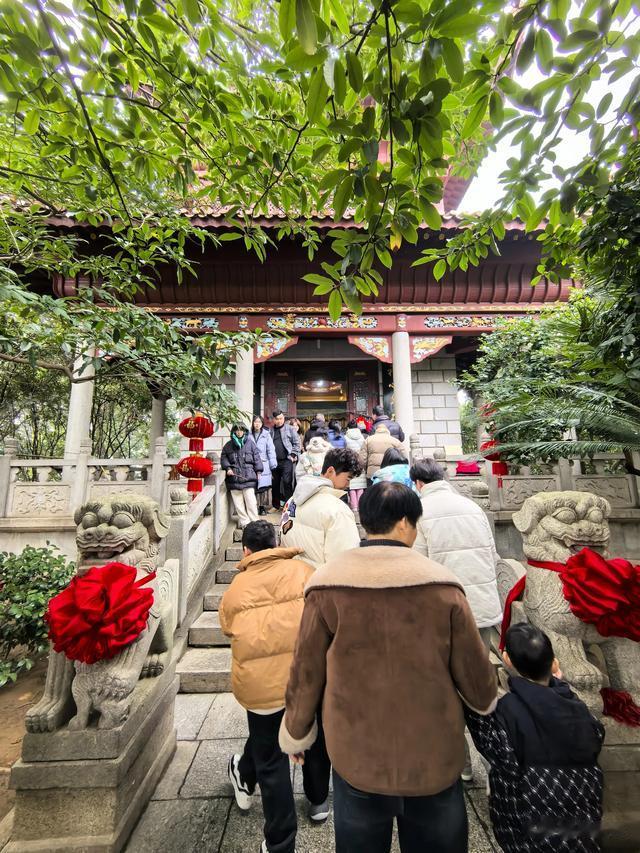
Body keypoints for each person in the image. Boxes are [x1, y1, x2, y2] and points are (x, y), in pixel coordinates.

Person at [279, 482, 497, 853]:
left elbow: (306, 672)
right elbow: (479, 686)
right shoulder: (443, 585)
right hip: (432, 752)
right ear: (405, 523)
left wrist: (297, 731)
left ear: (366, 522)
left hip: (357, 752)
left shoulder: (327, 584)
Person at [220, 521, 330, 853]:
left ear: (246, 550)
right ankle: (318, 800)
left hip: (262, 687)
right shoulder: (305, 572)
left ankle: (280, 842)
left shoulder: (236, 588)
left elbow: (227, 626)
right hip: (305, 679)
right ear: (277, 542)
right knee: (314, 739)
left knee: (270, 760)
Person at [465, 623, 605, 853]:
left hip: (529, 832)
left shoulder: (508, 711)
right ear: (554, 663)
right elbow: (597, 735)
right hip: (583, 831)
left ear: (507, 660)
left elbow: (487, 742)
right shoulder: (580, 709)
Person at [410, 456, 502, 781]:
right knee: (479, 687)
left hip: (444, 614)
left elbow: (417, 567)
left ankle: (461, 764)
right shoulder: (472, 507)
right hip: (482, 609)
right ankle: (496, 764)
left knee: (446, 690)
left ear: (418, 483)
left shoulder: (419, 512)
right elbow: (492, 556)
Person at [280, 448, 362, 569]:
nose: (348, 485)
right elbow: (345, 563)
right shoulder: (337, 510)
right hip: (318, 578)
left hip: (289, 574)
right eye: (348, 479)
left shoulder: (292, 500)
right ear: (330, 471)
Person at [221, 424, 263, 528]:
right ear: (234, 432)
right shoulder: (228, 445)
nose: (239, 432)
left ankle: (255, 522)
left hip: (248, 478)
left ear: (245, 431)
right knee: (238, 504)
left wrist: (258, 471)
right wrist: (228, 468)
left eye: (241, 430)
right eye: (237, 430)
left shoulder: (251, 444)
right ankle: (245, 523)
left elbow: (257, 458)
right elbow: (224, 458)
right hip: (234, 478)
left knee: (251, 502)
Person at [270, 410, 301, 511]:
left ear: (283, 418)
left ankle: (289, 506)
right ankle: (276, 506)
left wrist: (292, 455)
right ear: (274, 420)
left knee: (287, 482)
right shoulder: (270, 431)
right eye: (277, 419)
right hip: (274, 461)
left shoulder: (290, 429)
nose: (279, 421)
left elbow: (297, 443)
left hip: (287, 460)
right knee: (275, 484)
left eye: (281, 418)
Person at [251, 415, 277, 516]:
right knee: (252, 486)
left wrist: (272, 464)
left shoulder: (266, 435)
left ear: (262, 424)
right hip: (251, 463)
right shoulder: (248, 435)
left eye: (259, 422)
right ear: (253, 423)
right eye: (255, 422)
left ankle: (261, 507)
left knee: (262, 487)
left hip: (263, 463)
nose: (257, 424)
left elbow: (271, 450)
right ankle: (253, 507)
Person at [344, 419, 367, 511]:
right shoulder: (362, 437)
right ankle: (360, 505)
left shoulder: (345, 437)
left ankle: (354, 506)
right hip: (360, 461)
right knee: (360, 485)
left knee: (352, 485)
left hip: (350, 462)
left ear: (348, 427)